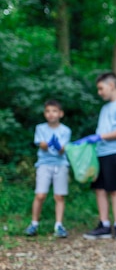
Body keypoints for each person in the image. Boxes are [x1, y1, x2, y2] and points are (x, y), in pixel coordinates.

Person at [74, 72, 116, 240]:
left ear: (112, 86)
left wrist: (99, 137)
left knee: (114, 188)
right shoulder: (104, 108)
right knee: (99, 188)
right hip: (99, 152)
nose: (99, 92)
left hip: (114, 152)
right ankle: (104, 225)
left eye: (101, 88)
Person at [24, 99, 72, 238]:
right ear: (45, 114)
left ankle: (59, 225)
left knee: (59, 196)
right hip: (44, 164)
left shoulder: (65, 130)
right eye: (48, 111)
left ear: (60, 113)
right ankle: (34, 223)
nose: (51, 114)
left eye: (54, 111)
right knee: (40, 195)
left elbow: (63, 150)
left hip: (61, 165)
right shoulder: (40, 128)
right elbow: (41, 145)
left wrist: (58, 146)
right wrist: (47, 144)